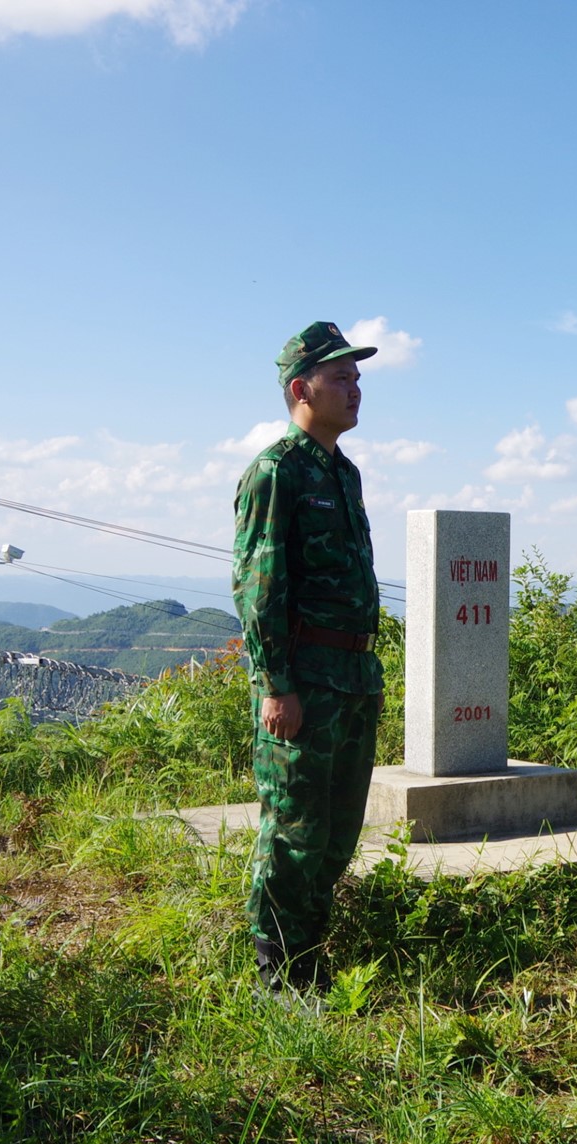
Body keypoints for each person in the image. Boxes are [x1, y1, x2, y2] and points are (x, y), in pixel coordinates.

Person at [232, 321, 384, 1007]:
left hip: (352, 680)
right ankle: (277, 976)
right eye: (341, 376)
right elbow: (259, 587)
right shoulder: (277, 472)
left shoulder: (342, 473)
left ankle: (310, 964)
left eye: (356, 376)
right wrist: (275, 685)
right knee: (293, 830)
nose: (356, 387)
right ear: (302, 388)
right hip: (304, 684)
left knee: (336, 833)